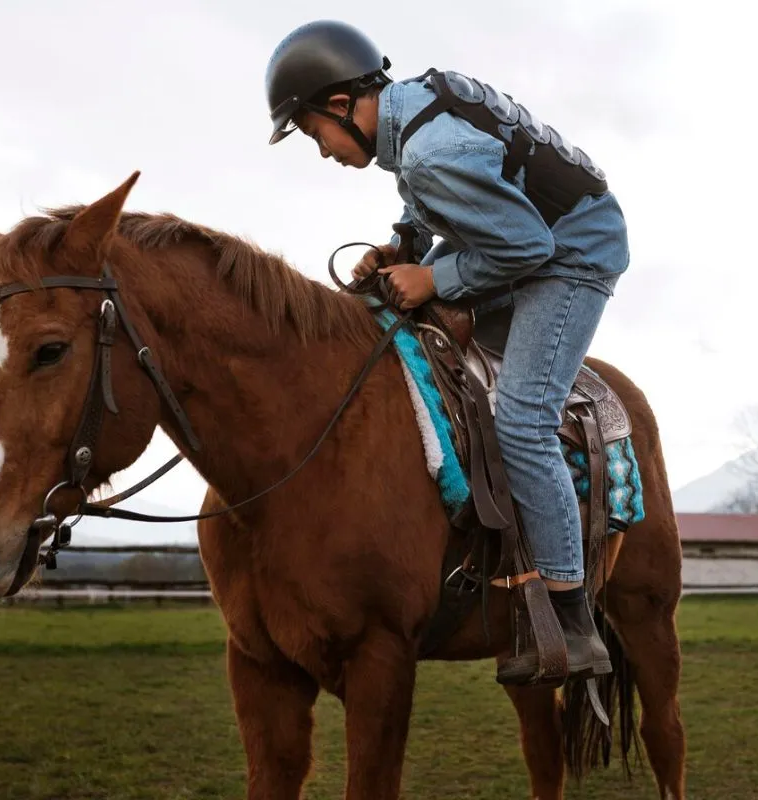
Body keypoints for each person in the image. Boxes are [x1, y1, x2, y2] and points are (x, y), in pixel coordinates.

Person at [263, 20, 631, 685]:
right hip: (532, 239)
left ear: (343, 104)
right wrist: (403, 246)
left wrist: (434, 278)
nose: (321, 151)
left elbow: (527, 250)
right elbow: (426, 200)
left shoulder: (434, 152)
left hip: (572, 256)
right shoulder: (414, 114)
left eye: (314, 132)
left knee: (521, 418)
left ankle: (572, 617)